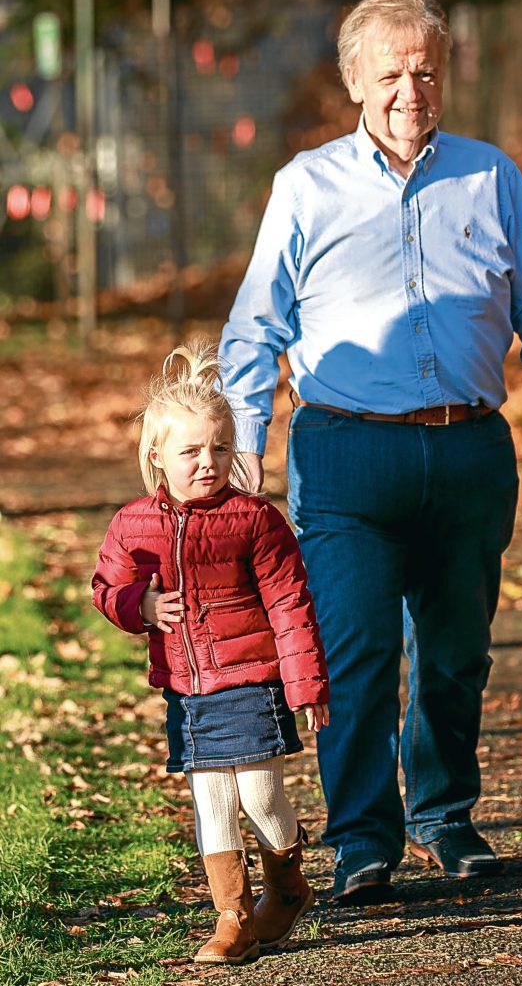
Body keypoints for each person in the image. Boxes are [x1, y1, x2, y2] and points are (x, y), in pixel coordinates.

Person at [219, 0, 522, 905]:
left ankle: (444, 817)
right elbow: (254, 329)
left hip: (470, 451)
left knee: (455, 649)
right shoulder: (305, 186)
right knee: (353, 654)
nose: (407, 88)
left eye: (424, 70)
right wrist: (240, 451)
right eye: (388, 72)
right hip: (346, 454)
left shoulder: (489, 175)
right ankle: (360, 839)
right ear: (354, 81)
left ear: (446, 76)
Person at [92, 340, 329, 964]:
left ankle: (287, 884)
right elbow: (107, 588)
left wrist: (305, 685)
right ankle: (232, 918)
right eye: (191, 451)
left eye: (220, 449)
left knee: (259, 796)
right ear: (157, 456)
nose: (208, 462)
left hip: (253, 680)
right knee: (212, 801)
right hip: (188, 690)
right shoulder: (132, 523)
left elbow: (289, 603)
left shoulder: (256, 520)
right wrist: (135, 608)